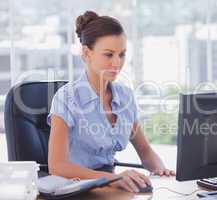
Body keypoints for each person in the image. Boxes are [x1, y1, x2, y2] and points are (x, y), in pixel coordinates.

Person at [47, 10, 175, 193]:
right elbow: (57, 167)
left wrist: (160, 170)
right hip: (76, 191)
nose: (117, 63)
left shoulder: (125, 96)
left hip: (111, 188)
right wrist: (113, 178)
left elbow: (145, 152)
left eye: (122, 54)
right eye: (108, 55)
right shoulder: (66, 98)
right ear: (86, 53)